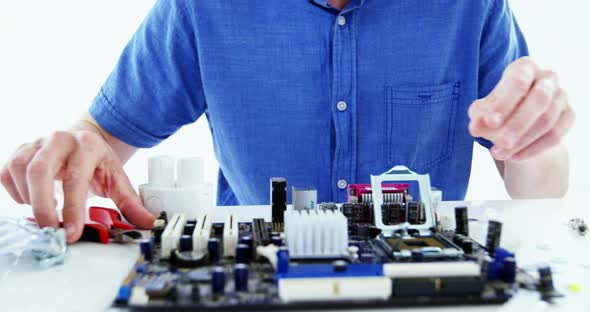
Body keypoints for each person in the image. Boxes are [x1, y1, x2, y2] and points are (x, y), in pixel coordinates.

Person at [0, 0, 574, 243]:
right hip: (252, 281)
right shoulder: (200, 8)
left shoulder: (470, 6)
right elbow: (101, 138)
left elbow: (537, 184)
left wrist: (536, 142)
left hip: (423, 279)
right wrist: (78, 144)